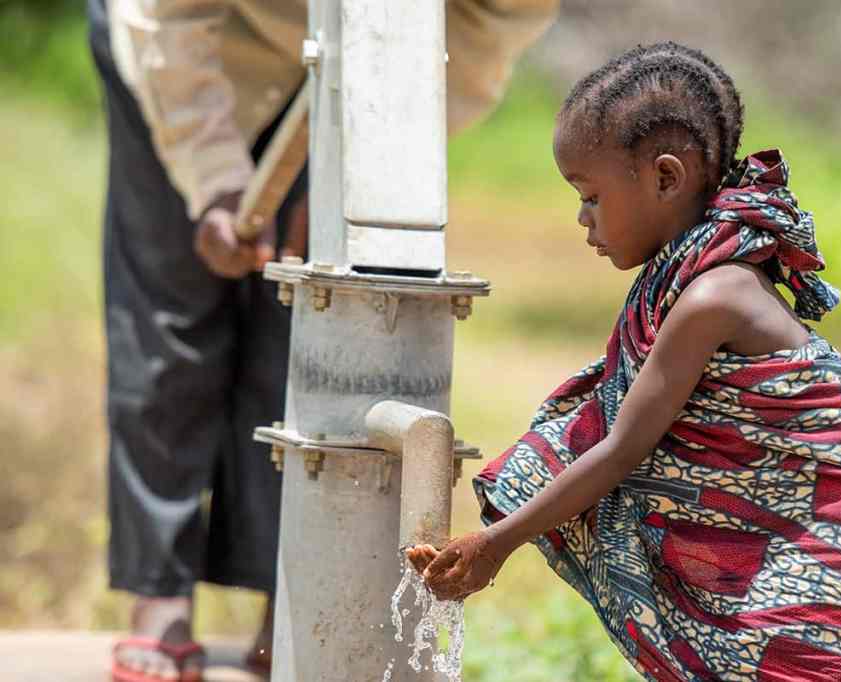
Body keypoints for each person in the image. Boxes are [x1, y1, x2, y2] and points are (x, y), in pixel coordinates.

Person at [407, 42, 841, 681]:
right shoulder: (691, 280)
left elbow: (623, 448)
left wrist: (497, 544)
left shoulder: (711, 296)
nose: (582, 219)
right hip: (816, 517)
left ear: (665, 177)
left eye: (591, 195)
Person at [86, 0, 559, 680]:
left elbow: (489, 29)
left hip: (359, 66)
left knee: (313, 327)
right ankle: (159, 595)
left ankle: (285, 607)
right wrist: (214, 181)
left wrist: (373, 162)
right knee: (170, 327)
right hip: (182, 47)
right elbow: (165, 21)